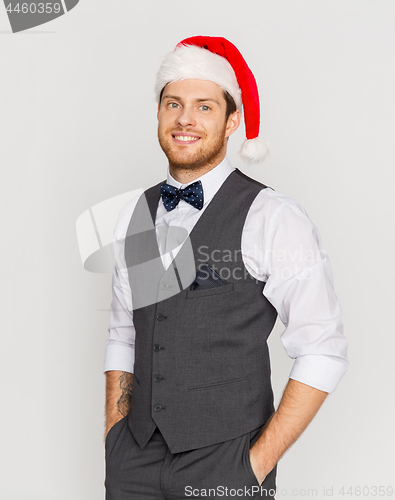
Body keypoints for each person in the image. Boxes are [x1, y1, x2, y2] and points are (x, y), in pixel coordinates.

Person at [103, 36, 348, 500]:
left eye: (205, 107)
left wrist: (255, 464)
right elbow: (124, 333)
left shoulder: (272, 216)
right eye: (173, 103)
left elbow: (324, 348)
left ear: (232, 120)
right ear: (159, 113)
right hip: (133, 461)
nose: (185, 119)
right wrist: (115, 437)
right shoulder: (134, 213)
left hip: (226, 464)